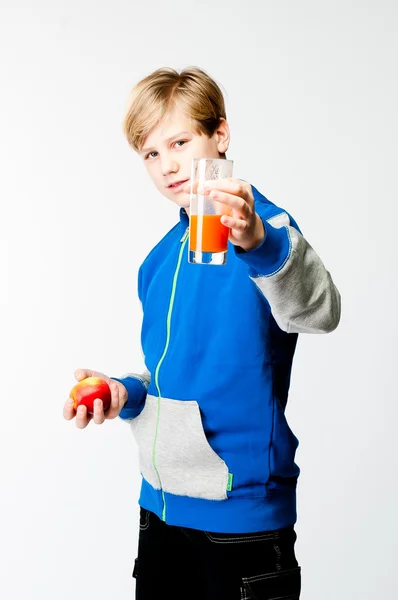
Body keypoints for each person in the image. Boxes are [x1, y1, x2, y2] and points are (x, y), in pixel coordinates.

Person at [63, 66, 341, 600]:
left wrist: (257, 240)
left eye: (179, 141)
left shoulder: (268, 232)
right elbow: (168, 369)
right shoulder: (159, 260)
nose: (167, 165)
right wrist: (126, 391)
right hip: (159, 512)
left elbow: (319, 313)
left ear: (221, 135)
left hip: (242, 521)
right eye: (150, 153)